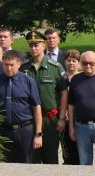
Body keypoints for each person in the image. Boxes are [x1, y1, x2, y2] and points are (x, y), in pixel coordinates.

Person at [0, 49, 42, 163]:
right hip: (3, 131)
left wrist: (38, 133)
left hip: (25, 130)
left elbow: (36, 107)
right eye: (6, 65)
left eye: (12, 65)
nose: (9, 68)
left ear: (19, 64)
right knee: (5, 164)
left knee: (27, 163)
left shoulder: (28, 81)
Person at [20, 30, 66, 164]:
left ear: (44, 45)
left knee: (50, 158)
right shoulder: (23, 69)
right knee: (31, 158)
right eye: (31, 45)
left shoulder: (56, 67)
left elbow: (64, 93)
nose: (33, 48)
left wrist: (62, 117)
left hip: (49, 119)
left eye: (37, 45)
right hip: (29, 119)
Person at [58, 49, 81, 165]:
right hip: (64, 116)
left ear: (78, 62)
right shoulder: (61, 77)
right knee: (66, 146)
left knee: (77, 146)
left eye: (74, 61)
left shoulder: (82, 77)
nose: (71, 63)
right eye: (68, 60)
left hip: (78, 116)